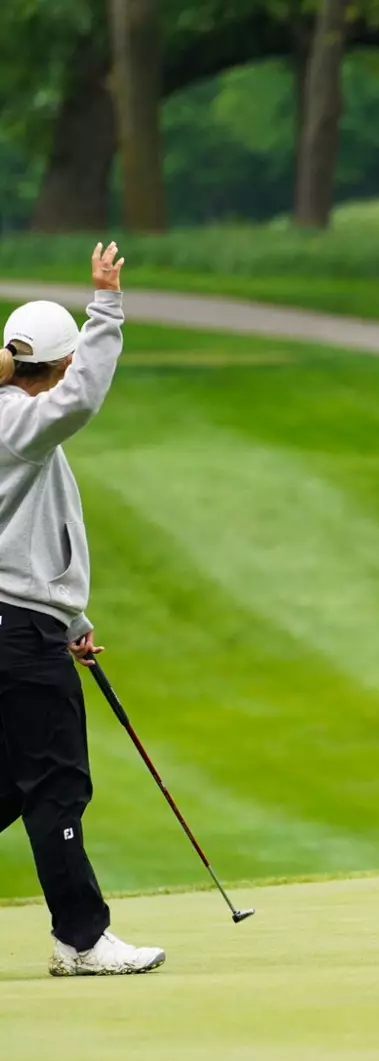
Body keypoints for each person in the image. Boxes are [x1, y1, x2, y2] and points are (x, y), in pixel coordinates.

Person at [0, 244, 166, 977]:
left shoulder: (19, 425)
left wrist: (69, 620)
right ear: (63, 364)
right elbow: (82, 399)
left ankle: (80, 935)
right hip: (17, 633)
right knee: (56, 785)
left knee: (9, 786)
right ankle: (82, 938)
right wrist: (106, 306)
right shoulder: (21, 427)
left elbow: (37, 538)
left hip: (21, 624)